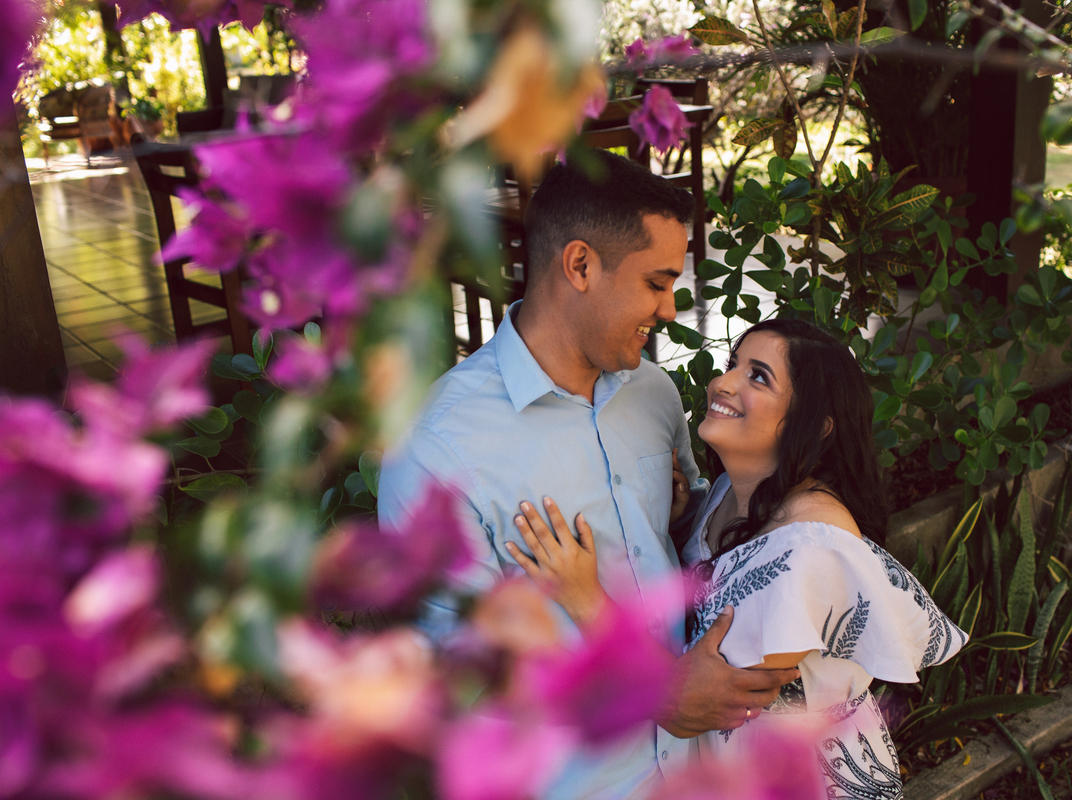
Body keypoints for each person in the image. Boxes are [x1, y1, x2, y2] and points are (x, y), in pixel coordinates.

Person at [377, 150, 800, 800]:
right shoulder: (436, 452)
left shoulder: (653, 393)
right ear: (579, 265)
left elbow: (684, 544)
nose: (668, 309)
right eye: (656, 282)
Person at [509, 318, 968, 798]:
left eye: (758, 376)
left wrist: (585, 599)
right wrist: (678, 520)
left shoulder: (809, 551)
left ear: (814, 425)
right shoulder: (736, 491)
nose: (721, 383)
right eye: (733, 364)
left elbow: (692, 699)